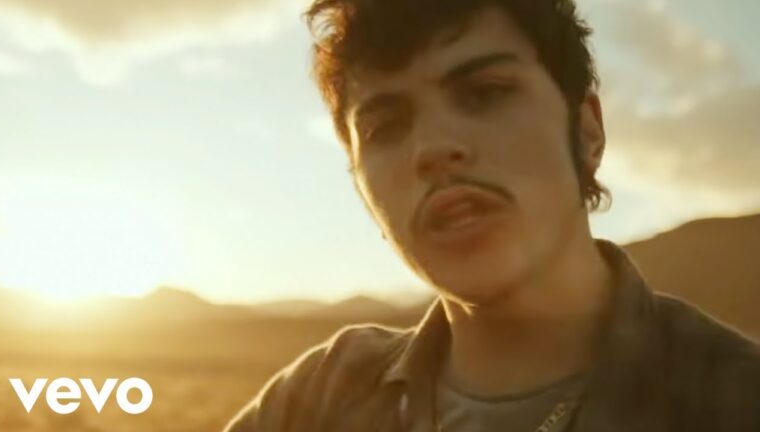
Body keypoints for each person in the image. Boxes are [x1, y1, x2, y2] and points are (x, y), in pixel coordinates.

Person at [225, 0, 760, 430]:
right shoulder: (323, 396)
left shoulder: (732, 400)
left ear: (586, 131)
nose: (433, 148)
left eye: (485, 93)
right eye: (384, 127)